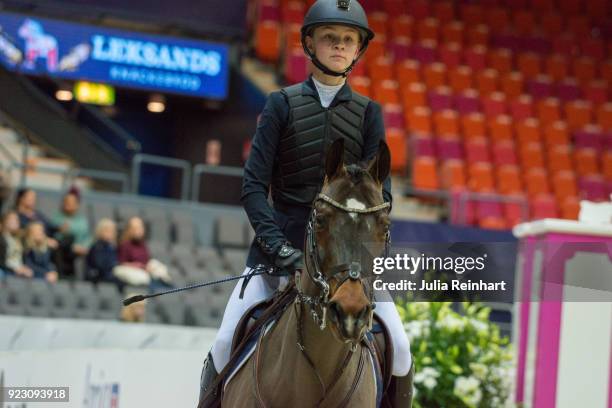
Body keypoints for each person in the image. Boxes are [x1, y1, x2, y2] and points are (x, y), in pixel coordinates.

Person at [199, 0, 413, 405]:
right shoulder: (281, 103)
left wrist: (363, 255)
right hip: (276, 250)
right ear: (310, 44)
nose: (339, 46)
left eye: (348, 40)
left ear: (358, 50)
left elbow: (380, 195)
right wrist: (278, 246)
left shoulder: (369, 113)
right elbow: (253, 185)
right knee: (226, 340)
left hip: (347, 259)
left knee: (399, 348)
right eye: (330, 38)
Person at [113, 216, 172, 288]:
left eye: (140, 228)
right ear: (129, 230)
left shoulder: (142, 245)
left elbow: (147, 260)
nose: (139, 231)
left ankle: (167, 287)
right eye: (135, 228)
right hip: (132, 270)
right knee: (143, 277)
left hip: (144, 269)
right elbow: (121, 263)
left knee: (159, 267)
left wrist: (147, 267)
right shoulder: (124, 244)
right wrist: (139, 266)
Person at [52, 187, 91, 278]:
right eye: (66, 202)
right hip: (63, 251)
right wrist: (73, 246)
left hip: (79, 251)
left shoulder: (82, 220)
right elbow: (56, 237)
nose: (68, 204)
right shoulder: (57, 218)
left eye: (71, 202)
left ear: (77, 204)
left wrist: (84, 247)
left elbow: (87, 237)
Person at [86, 218, 122, 288]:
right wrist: (114, 265)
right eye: (107, 230)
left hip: (108, 275)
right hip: (98, 277)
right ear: (100, 231)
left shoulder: (111, 247)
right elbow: (100, 265)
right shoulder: (97, 247)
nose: (110, 233)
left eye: (112, 231)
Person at [0, 210, 34, 278]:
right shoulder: (1, 239)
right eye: (13, 219)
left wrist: (24, 268)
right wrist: (14, 269)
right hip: (6, 270)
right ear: (5, 222)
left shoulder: (20, 240)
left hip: (19, 270)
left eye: (17, 219)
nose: (16, 222)